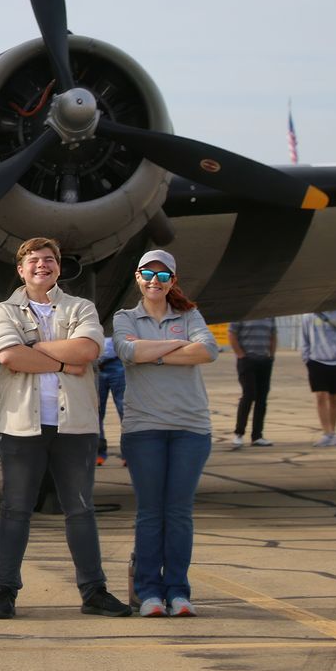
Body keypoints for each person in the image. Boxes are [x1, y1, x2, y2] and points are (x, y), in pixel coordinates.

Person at [0, 236, 131, 619]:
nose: (41, 266)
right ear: (20, 269)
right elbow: (8, 356)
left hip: (75, 425)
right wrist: (64, 361)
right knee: (15, 510)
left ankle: (94, 591)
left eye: (49, 260)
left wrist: (33, 348)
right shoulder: (4, 310)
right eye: (33, 261)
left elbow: (87, 350)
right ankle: (4, 592)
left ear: (59, 268)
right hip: (21, 427)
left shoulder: (81, 307)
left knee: (80, 509)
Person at [113, 250, 219, 617]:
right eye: (147, 274)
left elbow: (208, 350)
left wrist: (153, 354)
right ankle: (148, 592)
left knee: (178, 513)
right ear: (138, 277)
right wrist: (177, 345)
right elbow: (127, 351)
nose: (154, 281)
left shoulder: (189, 314)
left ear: (172, 281)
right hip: (145, 428)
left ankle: (178, 591)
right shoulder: (125, 317)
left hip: (191, 428)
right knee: (150, 513)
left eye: (162, 276)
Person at [299, 310, 336, 446]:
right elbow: (304, 339)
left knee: (334, 398)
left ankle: (332, 433)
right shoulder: (308, 316)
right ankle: (327, 433)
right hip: (317, 361)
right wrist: (307, 359)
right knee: (320, 396)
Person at [228, 316, 278, 449]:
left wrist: (271, 355)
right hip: (247, 360)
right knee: (249, 395)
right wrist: (240, 355)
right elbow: (232, 334)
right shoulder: (242, 313)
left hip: (264, 361)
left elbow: (273, 335)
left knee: (262, 398)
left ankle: (257, 436)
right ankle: (239, 433)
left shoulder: (270, 316)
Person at [95, 334, 125, 467]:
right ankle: (98, 453)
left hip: (117, 363)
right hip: (96, 365)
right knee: (96, 411)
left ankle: (129, 453)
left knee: (124, 409)